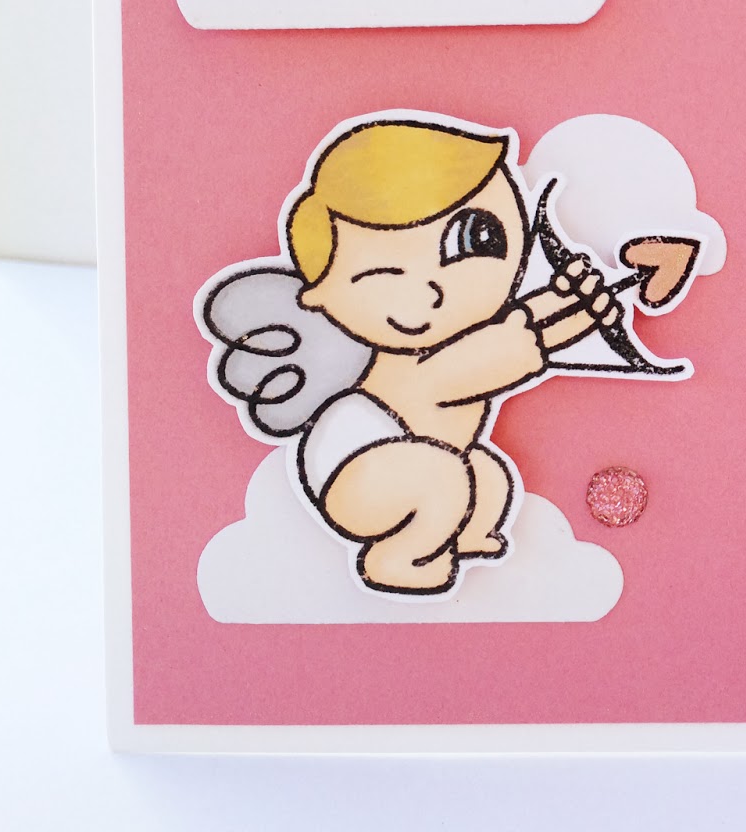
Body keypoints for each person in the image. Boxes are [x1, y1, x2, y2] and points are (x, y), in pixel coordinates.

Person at [208, 116, 620, 596]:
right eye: (384, 276)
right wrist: (573, 308)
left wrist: (578, 306)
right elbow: (517, 344)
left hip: (418, 456)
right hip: (357, 465)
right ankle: (395, 559)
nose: (433, 289)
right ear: (322, 298)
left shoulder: (464, 339)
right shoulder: (428, 367)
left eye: (476, 236)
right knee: (443, 478)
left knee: (485, 477)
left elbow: (525, 330)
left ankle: (464, 535)